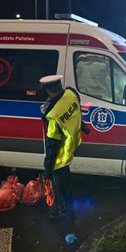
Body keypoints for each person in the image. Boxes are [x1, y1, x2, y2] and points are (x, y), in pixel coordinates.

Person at [39, 75, 83, 220]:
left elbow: (52, 145)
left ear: (47, 90)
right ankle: (68, 208)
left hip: (61, 153)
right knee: (66, 180)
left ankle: (66, 211)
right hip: (72, 144)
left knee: (59, 185)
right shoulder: (71, 94)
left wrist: (47, 170)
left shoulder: (53, 115)